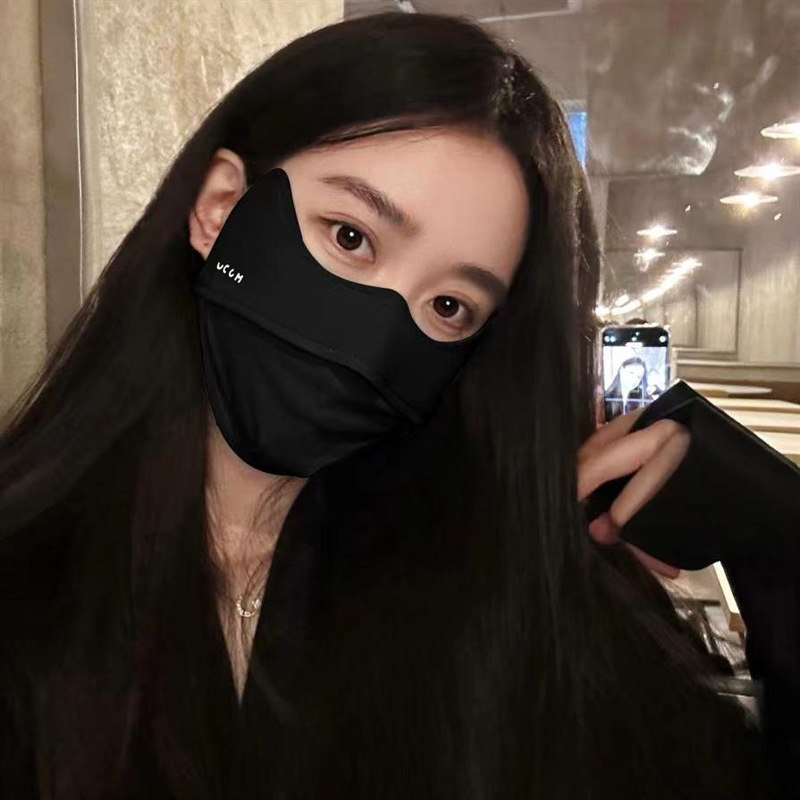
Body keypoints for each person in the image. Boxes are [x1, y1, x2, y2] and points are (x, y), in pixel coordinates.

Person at [0, 11, 795, 800]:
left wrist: (779, 542)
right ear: (221, 206)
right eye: (350, 237)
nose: (378, 338)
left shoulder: (509, 600)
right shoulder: (26, 572)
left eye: (449, 306)